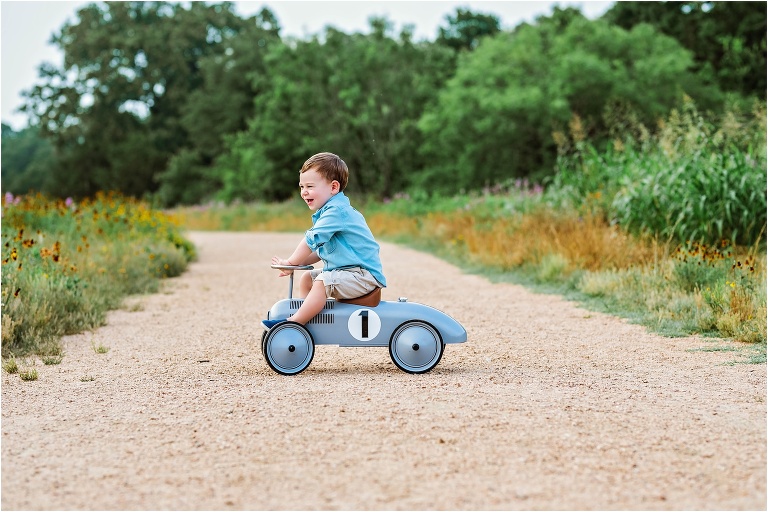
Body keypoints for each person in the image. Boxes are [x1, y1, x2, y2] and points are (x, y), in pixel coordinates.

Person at [262, 152, 386, 328]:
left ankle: (295, 323)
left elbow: (311, 240)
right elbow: (319, 251)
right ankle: (307, 321)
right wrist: (295, 265)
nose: (304, 192)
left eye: (310, 186)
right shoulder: (329, 213)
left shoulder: (337, 211)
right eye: (301, 186)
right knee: (307, 278)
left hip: (363, 276)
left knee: (323, 281)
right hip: (348, 273)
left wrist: (291, 261)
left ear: (333, 187)